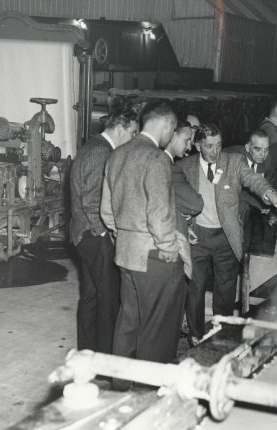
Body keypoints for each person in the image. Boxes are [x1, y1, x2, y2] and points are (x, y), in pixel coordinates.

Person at [100, 100, 191, 380]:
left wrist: (124, 235)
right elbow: (159, 212)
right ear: (165, 124)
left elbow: (106, 209)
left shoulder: (117, 154)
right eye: (173, 128)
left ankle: (119, 386)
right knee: (158, 330)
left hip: (126, 255)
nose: (172, 135)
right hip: (154, 258)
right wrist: (168, 248)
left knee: (128, 323)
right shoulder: (157, 158)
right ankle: (148, 395)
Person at [177, 123, 277, 344]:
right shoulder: (184, 166)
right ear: (198, 145)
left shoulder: (233, 162)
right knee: (195, 288)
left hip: (226, 237)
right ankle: (195, 334)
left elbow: (254, 180)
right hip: (197, 237)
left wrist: (272, 195)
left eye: (219, 145)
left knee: (226, 291)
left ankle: (221, 335)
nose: (215, 151)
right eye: (209, 146)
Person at [70, 106, 138, 354]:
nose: (133, 138)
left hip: (83, 234)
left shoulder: (93, 146)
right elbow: (91, 201)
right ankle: (106, 357)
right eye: (132, 133)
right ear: (120, 129)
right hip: (94, 236)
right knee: (108, 299)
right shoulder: (101, 152)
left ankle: (87, 352)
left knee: (90, 297)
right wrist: (104, 234)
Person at [224, 129, 277, 254]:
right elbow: (235, 191)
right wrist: (260, 206)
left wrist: (272, 213)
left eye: (266, 149)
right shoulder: (232, 156)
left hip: (251, 205)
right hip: (227, 200)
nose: (263, 154)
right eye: (258, 149)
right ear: (248, 147)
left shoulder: (269, 161)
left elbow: (270, 187)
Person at [162, 120, 204, 236]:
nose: (189, 147)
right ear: (174, 136)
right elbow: (196, 203)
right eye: (186, 141)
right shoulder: (169, 167)